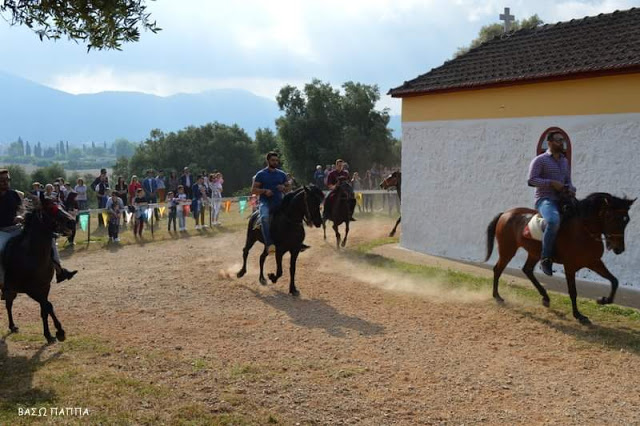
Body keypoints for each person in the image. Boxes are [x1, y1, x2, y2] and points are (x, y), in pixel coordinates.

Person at [0, 169, 76, 300]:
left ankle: (59, 271)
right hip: (2, 231)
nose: (6, 182)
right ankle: (3, 284)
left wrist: (21, 216)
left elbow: (23, 209)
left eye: (7, 179)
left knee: (49, 239)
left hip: (18, 228)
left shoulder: (16, 195)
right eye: (2, 180)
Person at [527, 131, 576, 276]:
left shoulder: (564, 161)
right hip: (545, 199)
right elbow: (531, 180)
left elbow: (568, 181)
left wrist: (571, 189)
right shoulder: (540, 160)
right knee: (554, 221)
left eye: (563, 140)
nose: (562, 143)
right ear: (549, 142)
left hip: (563, 199)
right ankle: (546, 258)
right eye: (558, 140)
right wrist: (551, 183)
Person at [252, 152, 288, 252]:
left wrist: (284, 187)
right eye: (273, 160)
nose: (275, 162)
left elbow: (289, 187)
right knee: (264, 217)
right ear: (268, 161)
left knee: (294, 214)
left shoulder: (282, 174)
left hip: (279, 202)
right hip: (265, 202)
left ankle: (297, 241)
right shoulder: (261, 174)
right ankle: (269, 244)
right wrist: (264, 191)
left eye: (276, 160)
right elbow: (253, 190)